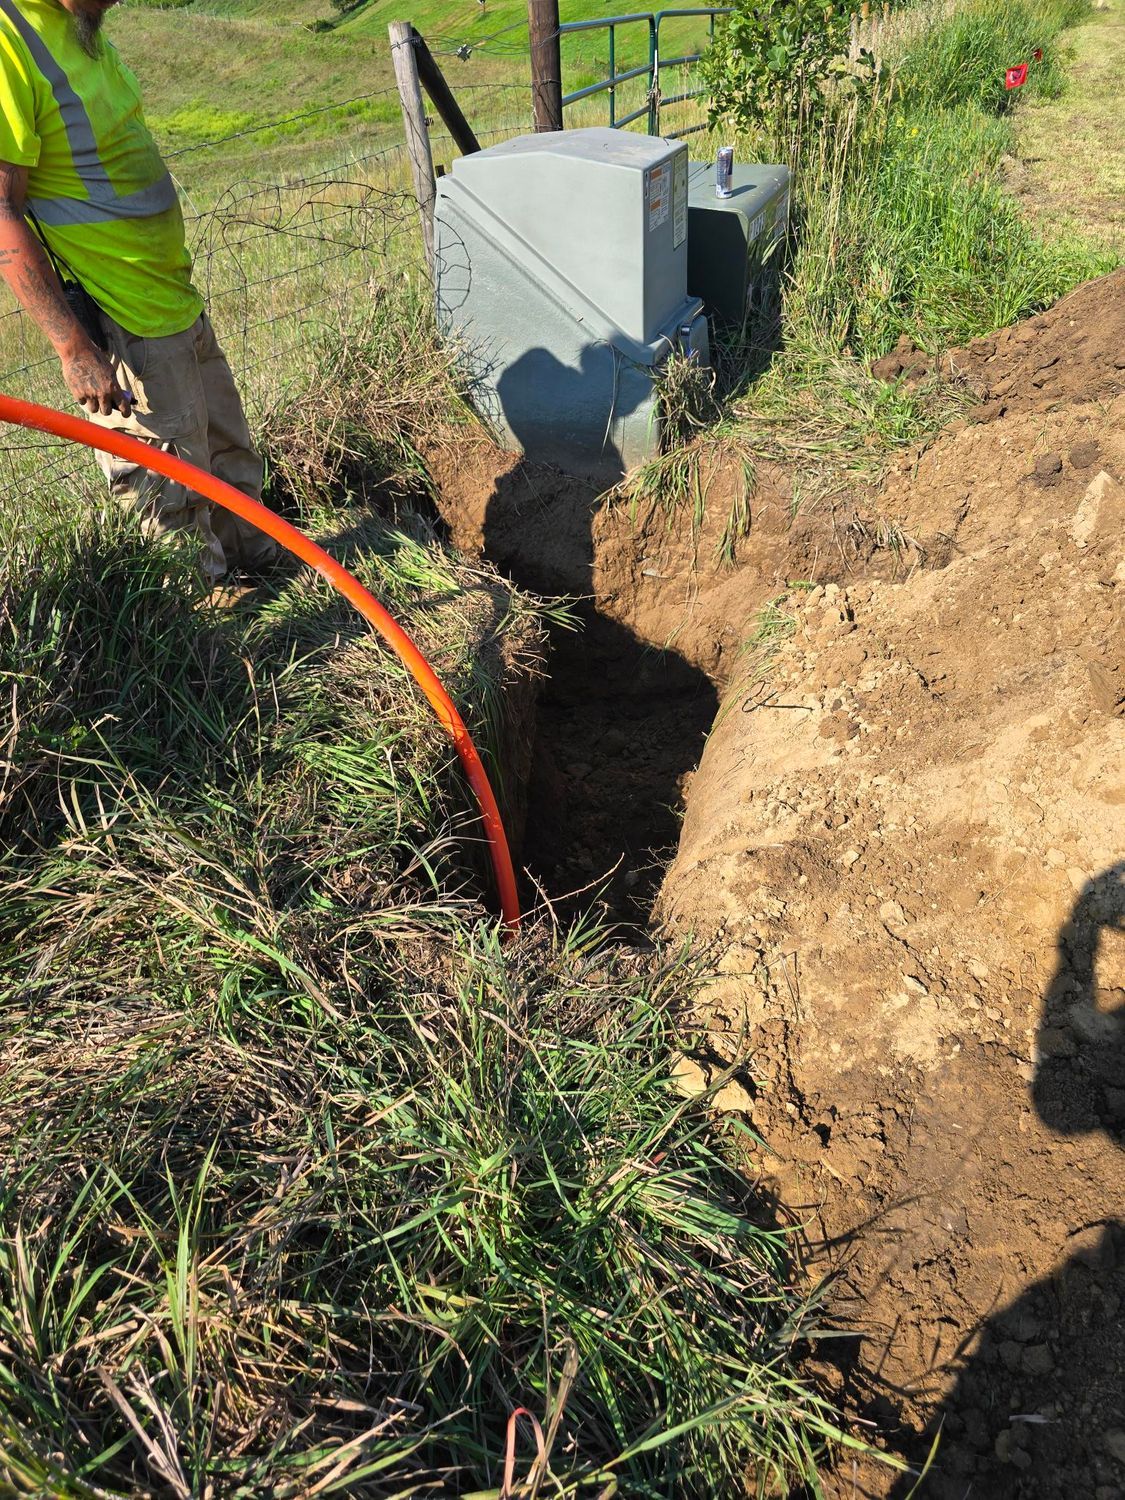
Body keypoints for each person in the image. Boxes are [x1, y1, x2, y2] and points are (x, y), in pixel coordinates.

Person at [0, 0, 276, 581]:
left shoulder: (78, 25)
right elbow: (1, 208)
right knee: (168, 493)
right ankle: (207, 638)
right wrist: (73, 350)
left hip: (173, 301)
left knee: (229, 460)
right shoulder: (9, 38)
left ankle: (264, 571)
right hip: (123, 321)